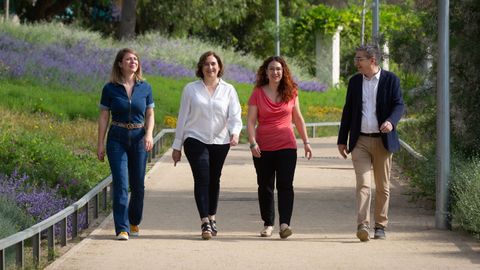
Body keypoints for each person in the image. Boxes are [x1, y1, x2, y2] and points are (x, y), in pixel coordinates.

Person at [171, 51, 242, 240]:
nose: (210, 68)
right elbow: (182, 117)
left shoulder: (228, 90)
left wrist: (235, 133)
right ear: (201, 68)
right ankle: (204, 222)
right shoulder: (191, 89)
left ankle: (212, 217)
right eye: (206, 64)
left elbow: (235, 116)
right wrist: (177, 146)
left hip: (220, 141)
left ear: (219, 67)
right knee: (202, 178)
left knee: (214, 179)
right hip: (195, 139)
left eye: (213, 64)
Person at [337, 44, 404, 242]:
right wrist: (342, 140)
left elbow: (399, 104)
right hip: (361, 141)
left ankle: (380, 226)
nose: (356, 62)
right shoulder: (355, 82)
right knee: (363, 184)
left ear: (372, 60)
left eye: (360, 59)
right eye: (356, 59)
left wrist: (391, 121)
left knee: (383, 186)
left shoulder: (390, 80)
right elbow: (348, 110)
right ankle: (363, 225)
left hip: (383, 141)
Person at [247, 56, 312, 239]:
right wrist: (252, 142)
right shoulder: (258, 93)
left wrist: (306, 142)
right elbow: (251, 121)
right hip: (263, 147)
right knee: (265, 186)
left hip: (286, 146)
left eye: (278, 69)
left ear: (283, 72)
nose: (275, 72)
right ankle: (268, 224)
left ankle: (285, 224)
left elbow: (298, 118)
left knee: (285, 185)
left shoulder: (291, 92)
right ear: (265, 72)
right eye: (272, 69)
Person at [97, 48, 155, 241]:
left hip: (139, 137)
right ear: (120, 64)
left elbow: (150, 114)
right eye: (128, 59)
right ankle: (122, 228)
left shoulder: (145, 87)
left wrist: (148, 134)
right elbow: (104, 116)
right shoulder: (110, 88)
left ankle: (134, 221)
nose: (133, 62)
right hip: (117, 138)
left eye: (135, 59)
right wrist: (100, 144)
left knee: (138, 185)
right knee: (121, 184)